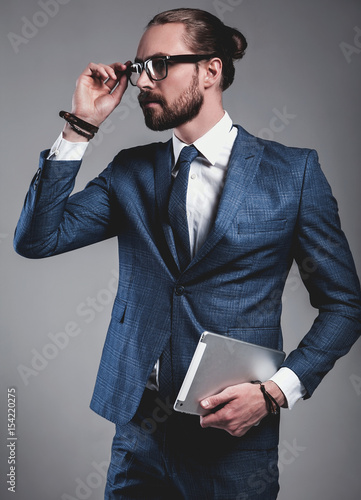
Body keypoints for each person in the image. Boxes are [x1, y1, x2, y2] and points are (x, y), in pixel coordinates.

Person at [14, 7, 361, 500]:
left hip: (233, 444)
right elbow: (36, 239)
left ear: (211, 70)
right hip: (138, 438)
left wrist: (275, 392)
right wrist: (79, 126)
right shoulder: (130, 172)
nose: (140, 83)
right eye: (137, 68)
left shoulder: (294, 174)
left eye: (158, 65)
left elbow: (345, 305)